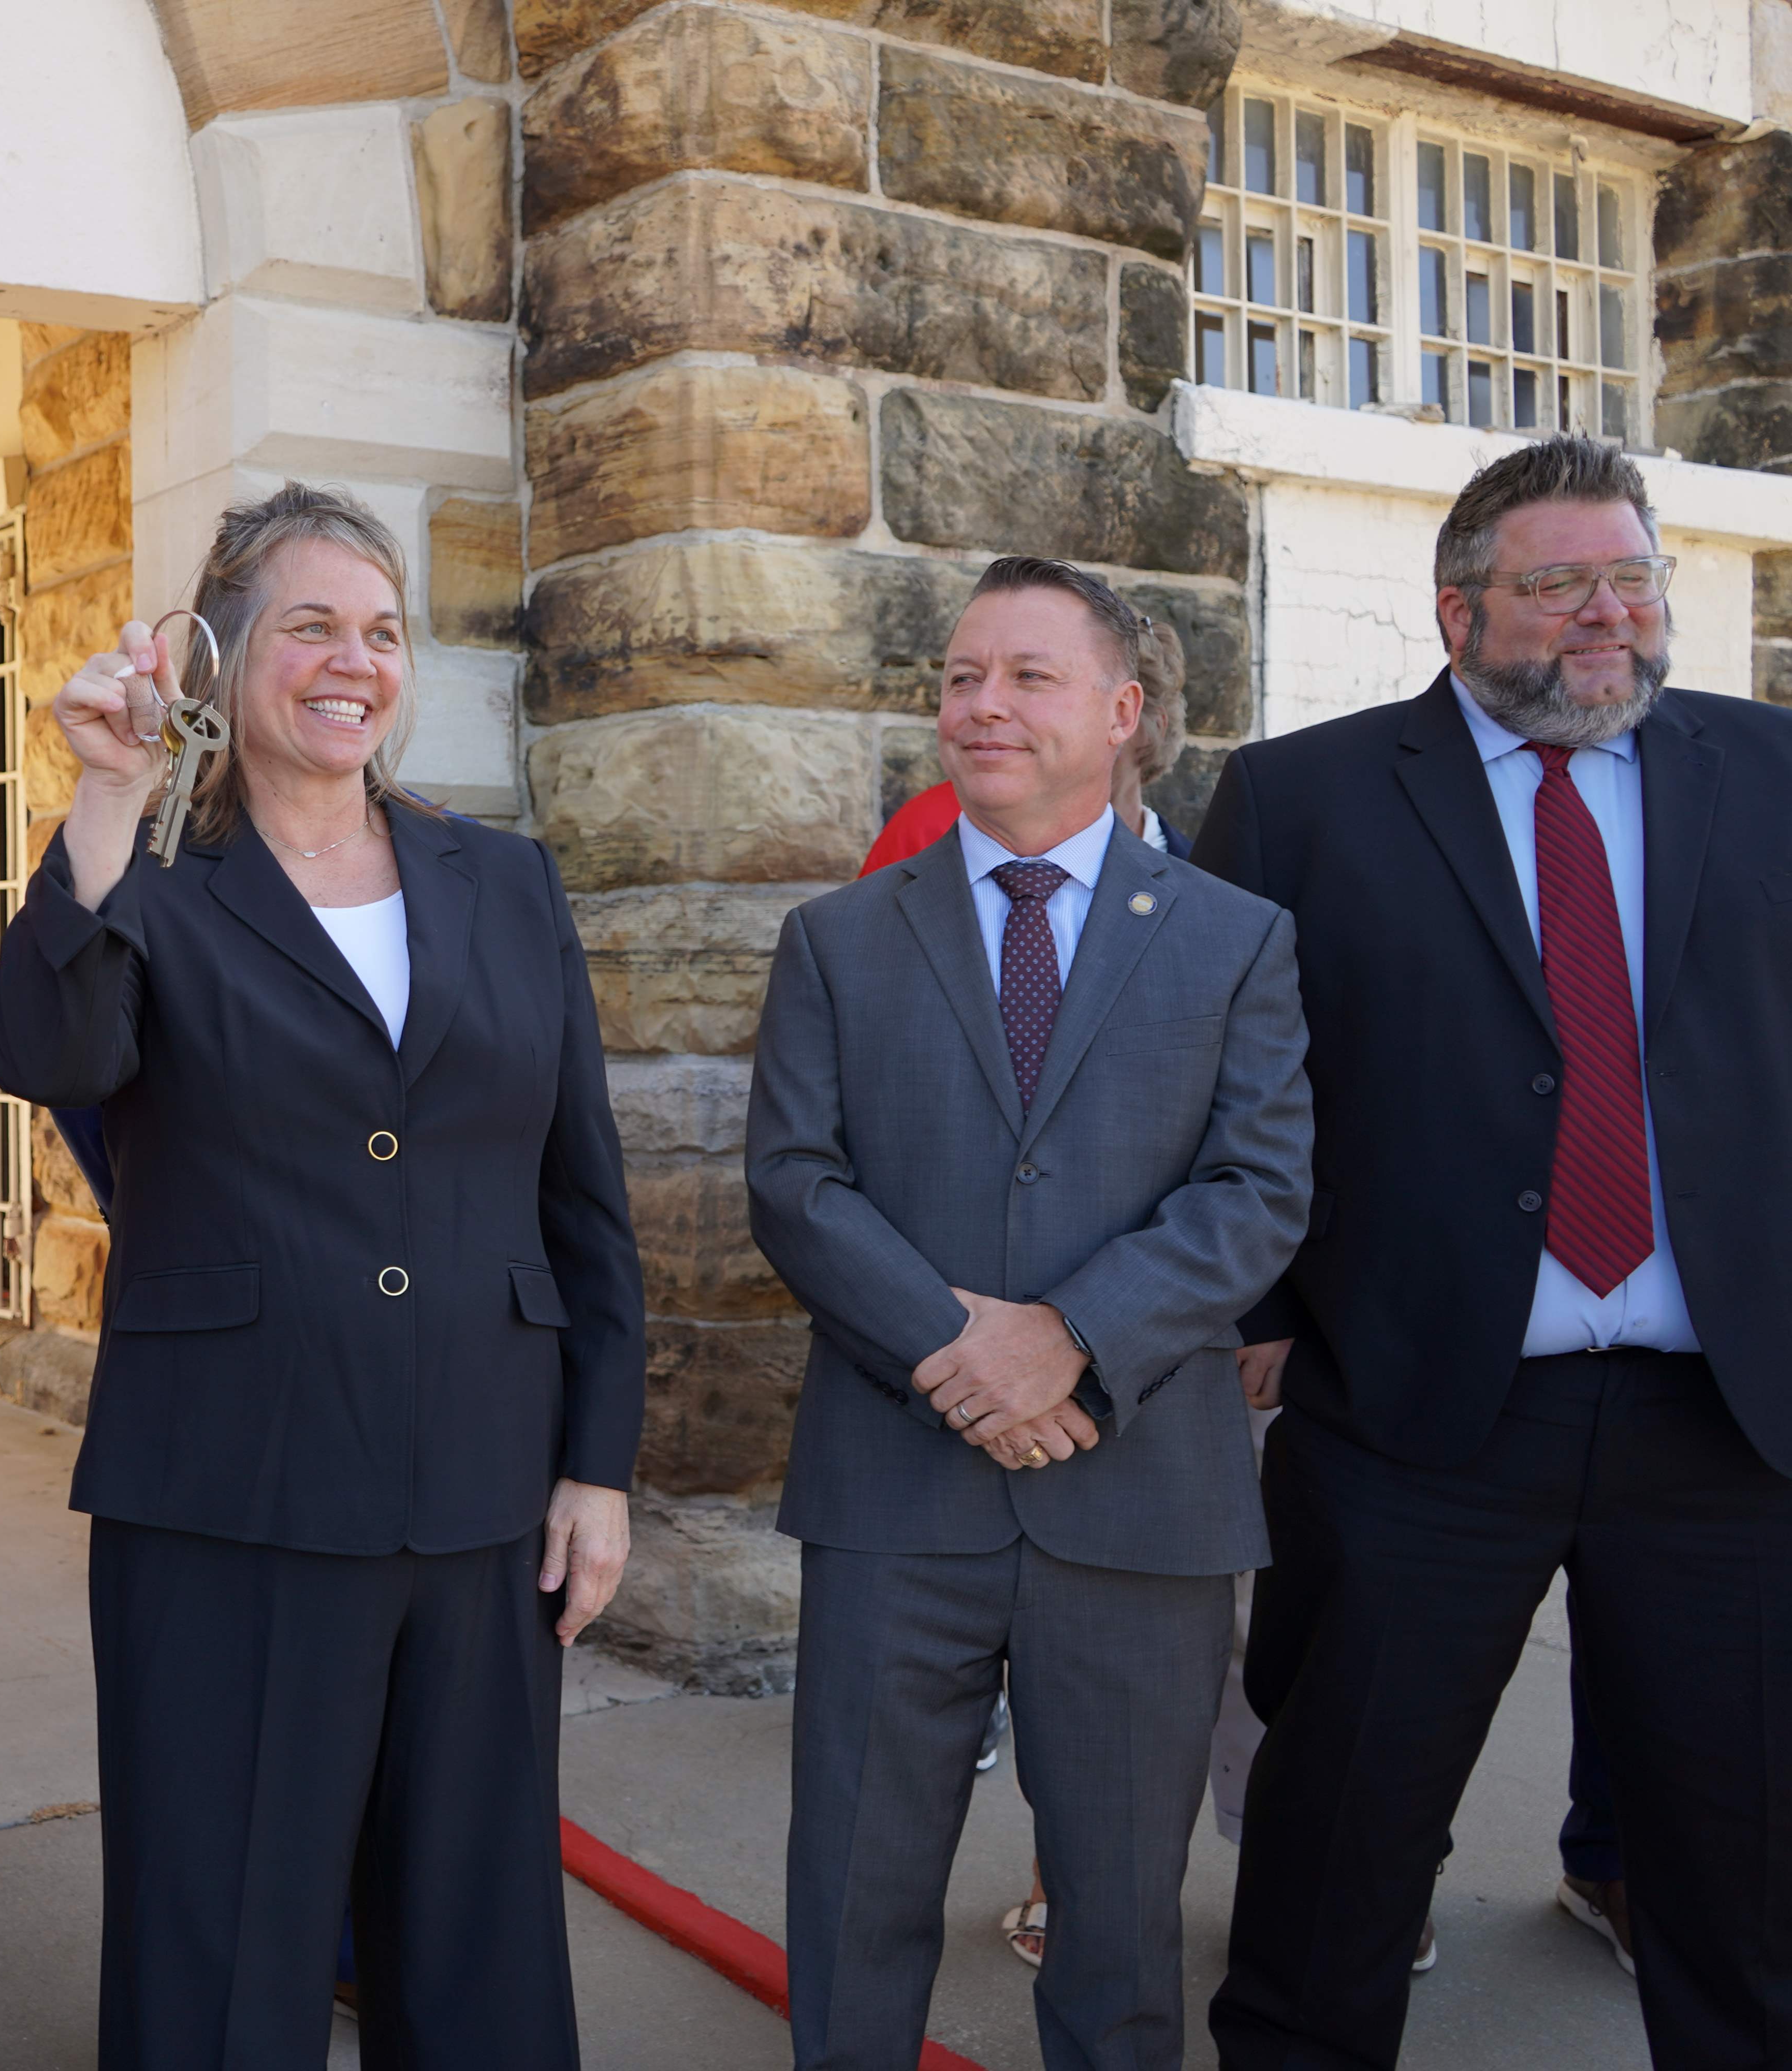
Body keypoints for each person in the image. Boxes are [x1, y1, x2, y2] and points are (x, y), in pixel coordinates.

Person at [0, 483, 645, 2070]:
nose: (351, 662)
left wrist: (593, 1463)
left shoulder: (502, 881)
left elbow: (582, 1196)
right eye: (308, 626)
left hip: (479, 1490)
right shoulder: (145, 874)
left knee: (476, 1949)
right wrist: (103, 794)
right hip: (229, 1496)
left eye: (380, 631)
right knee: (220, 1953)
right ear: (214, 654)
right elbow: (43, 1047)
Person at [1201, 435, 1792, 2069]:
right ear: (1456, 609)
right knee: (1338, 1844)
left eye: (1629, 577)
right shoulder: (1297, 795)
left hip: (1723, 1419)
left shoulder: (1771, 770)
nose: (1604, 615)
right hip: (1411, 1415)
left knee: (1742, 1877)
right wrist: (1254, 1306)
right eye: (1555, 584)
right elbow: (1227, 1077)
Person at [746, 555, 1313, 2071]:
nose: (979, 704)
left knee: (1120, 1931)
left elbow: (1257, 1191)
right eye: (956, 677)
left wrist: (1063, 1336)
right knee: (855, 1894)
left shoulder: (1231, 937)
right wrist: (964, 1350)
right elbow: (795, 1185)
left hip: (1137, 1498)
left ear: (1121, 711)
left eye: (1025, 675)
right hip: (892, 1492)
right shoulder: (838, 939)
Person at [864, 614, 1190, 874]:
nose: (986, 707)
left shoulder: (1201, 871)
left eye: (1031, 677)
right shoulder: (928, 825)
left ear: (1128, 716)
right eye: (964, 679)